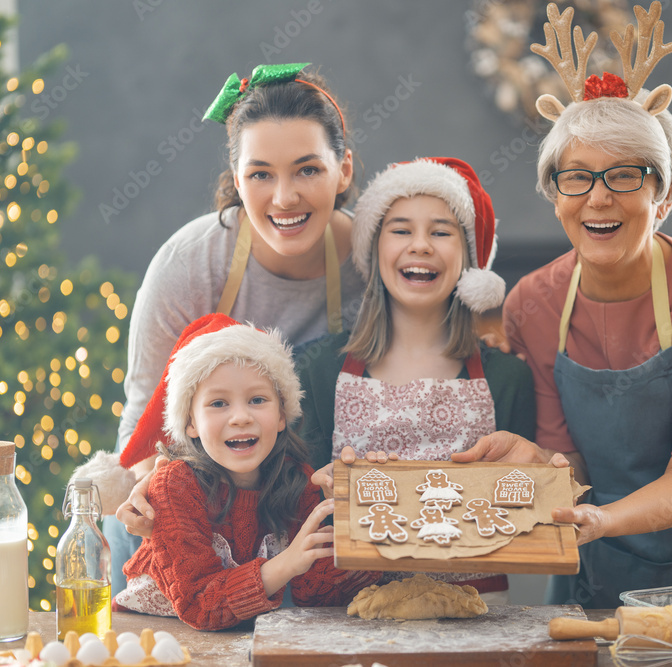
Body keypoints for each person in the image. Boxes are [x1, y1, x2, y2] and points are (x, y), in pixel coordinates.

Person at [454, 2, 672, 608]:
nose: (598, 199)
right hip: (605, 548)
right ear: (554, 194)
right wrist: (536, 461)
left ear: (662, 196)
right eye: (577, 177)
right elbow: (572, 463)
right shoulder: (534, 305)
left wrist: (603, 521)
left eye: (625, 176)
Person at [106, 62, 365, 594]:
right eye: (261, 174)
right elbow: (144, 418)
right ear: (238, 178)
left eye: (308, 170)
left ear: (344, 170)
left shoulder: (376, 262)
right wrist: (147, 497)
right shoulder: (190, 264)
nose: (285, 197)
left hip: (304, 520)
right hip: (192, 518)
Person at [297, 157, 537, 602]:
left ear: (469, 258)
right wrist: (317, 487)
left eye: (442, 232)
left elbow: (529, 506)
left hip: (477, 609)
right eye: (402, 230)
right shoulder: (320, 368)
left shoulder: (508, 377)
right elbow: (288, 499)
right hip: (346, 609)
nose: (421, 246)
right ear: (374, 249)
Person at [113, 313, 378, 630]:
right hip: (153, 638)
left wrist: (361, 515)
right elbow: (200, 604)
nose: (240, 417)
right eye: (218, 403)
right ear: (190, 424)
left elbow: (317, 594)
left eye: (257, 399)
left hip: (240, 638)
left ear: (282, 416)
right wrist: (285, 563)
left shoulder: (297, 479)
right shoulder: (174, 486)